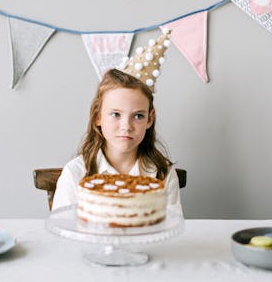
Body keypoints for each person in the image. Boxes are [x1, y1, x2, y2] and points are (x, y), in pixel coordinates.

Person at [52, 60, 182, 213]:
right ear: (98, 116)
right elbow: (64, 230)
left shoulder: (162, 174)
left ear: (150, 119)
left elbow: (171, 227)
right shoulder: (75, 173)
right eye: (116, 114)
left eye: (138, 116)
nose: (126, 126)